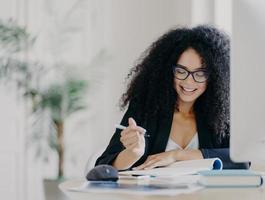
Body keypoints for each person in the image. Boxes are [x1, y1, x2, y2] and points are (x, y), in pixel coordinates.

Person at [95, 25, 249, 170]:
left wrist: (177, 155)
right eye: (181, 71)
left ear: (214, 77)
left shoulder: (220, 116)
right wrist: (133, 153)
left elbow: (242, 160)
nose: (189, 81)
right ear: (168, 70)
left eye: (200, 73)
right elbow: (102, 167)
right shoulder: (146, 107)